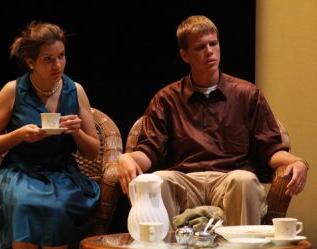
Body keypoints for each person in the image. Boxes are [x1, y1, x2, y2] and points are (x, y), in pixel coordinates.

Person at [117, 15, 309, 230]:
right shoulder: (166, 99)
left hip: (229, 179)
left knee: (244, 181)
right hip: (185, 180)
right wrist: (126, 157)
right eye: (200, 47)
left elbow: (270, 148)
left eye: (213, 44)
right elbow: (149, 150)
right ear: (185, 55)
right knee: (160, 180)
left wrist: (297, 161)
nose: (209, 51)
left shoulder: (247, 94)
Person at [0, 21, 101, 249]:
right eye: (48, 59)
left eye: (61, 56)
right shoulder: (13, 90)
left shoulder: (76, 91)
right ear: (31, 62)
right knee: (23, 203)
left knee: (58, 205)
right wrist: (18, 135)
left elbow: (93, 151)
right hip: (19, 172)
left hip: (62, 173)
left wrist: (76, 132)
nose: (58, 65)